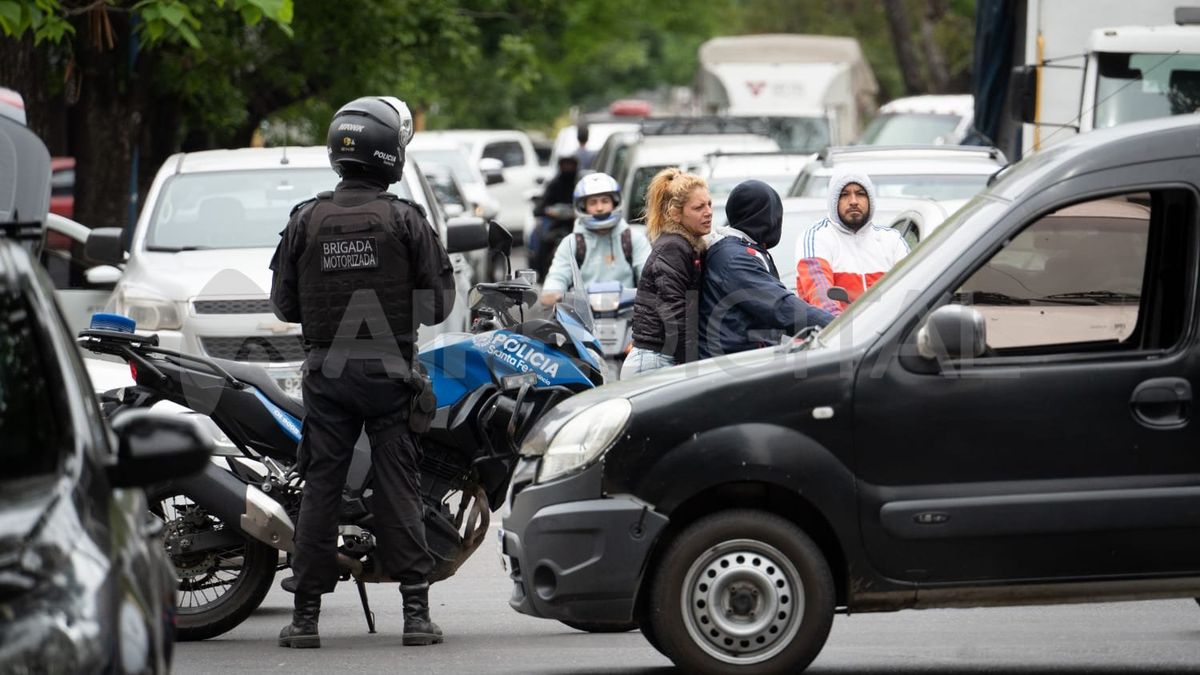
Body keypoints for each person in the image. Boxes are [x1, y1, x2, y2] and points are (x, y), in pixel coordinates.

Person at [269, 96, 455, 650]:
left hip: (327, 373)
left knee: (322, 489)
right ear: (389, 154)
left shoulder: (305, 219)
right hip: (390, 372)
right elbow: (438, 304)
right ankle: (416, 615)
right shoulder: (404, 220)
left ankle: (305, 620)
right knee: (399, 487)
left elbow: (284, 304)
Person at [700, 180, 833, 357]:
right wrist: (838, 326)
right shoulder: (735, 258)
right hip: (736, 368)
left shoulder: (738, 250)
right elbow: (781, 307)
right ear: (766, 217)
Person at [622, 169, 711, 378]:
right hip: (654, 363)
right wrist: (693, 368)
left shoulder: (688, 245)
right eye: (699, 207)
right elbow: (675, 315)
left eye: (709, 204)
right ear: (675, 214)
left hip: (661, 358)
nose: (708, 212)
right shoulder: (674, 248)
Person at [795, 167, 909, 314]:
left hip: (889, 333)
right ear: (834, 200)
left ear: (870, 200)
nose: (853, 201)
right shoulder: (816, 238)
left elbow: (912, 286)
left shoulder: (892, 239)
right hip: (835, 332)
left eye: (860, 194)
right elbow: (821, 297)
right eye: (844, 195)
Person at [539, 172, 649, 305]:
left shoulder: (634, 238)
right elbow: (557, 276)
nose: (600, 208)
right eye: (593, 203)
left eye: (605, 201)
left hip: (629, 318)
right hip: (583, 320)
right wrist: (552, 292)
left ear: (615, 203)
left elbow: (649, 275)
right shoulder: (571, 243)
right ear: (582, 207)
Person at [530, 153, 580, 279]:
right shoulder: (554, 185)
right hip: (556, 225)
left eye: (571, 165)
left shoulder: (580, 185)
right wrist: (552, 212)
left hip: (576, 226)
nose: (568, 168)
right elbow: (539, 208)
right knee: (543, 241)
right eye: (565, 165)